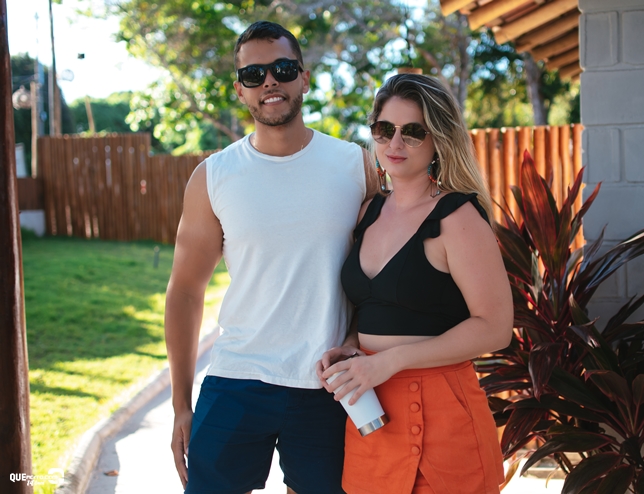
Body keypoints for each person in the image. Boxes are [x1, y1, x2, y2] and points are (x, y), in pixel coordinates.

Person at [165, 20, 378, 494]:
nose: (269, 82)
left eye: (282, 69)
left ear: (304, 78)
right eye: (253, 74)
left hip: (326, 383)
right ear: (239, 90)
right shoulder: (213, 177)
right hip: (238, 377)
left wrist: (356, 342)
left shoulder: (356, 165)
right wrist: (181, 404)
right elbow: (185, 292)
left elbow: (382, 277)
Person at [316, 73, 514, 494]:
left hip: (445, 420)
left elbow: (496, 328)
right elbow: (373, 308)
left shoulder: (457, 217)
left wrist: (390, 361)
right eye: (384, 129)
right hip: (370, 415)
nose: (395, 143)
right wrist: (351, 345)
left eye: (412, 132)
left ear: (438, 139)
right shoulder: (367, 212)